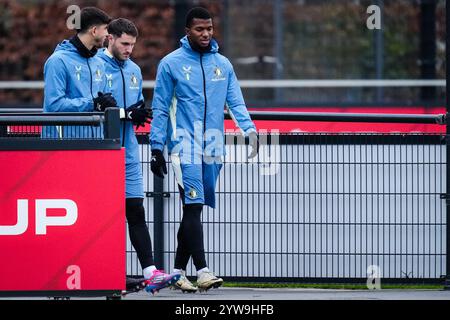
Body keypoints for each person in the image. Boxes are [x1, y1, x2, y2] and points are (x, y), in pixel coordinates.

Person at [150, 7, 258, 293]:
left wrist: (250, 132)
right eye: (199, 29)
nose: (206, 33)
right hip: (182, 146)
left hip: (213, 146)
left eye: (209, 28)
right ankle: (204, 271)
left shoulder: (223, 64)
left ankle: (176, 272)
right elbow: (160, 108)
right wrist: (156, 147)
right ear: (187, 31)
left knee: (192, 210)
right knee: (194, 205)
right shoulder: (170, 64)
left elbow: (236, 103)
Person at [98, 18, 180, 293]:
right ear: (109, 38)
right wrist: (124, 113)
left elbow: (130, 113)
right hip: (102, 153)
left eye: (132, 44)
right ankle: (104, 274)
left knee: (135, 210)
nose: (129, 49)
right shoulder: (95, 66)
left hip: (129, 152)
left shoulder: (133, 70)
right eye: (124, 43)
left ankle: (150, 272)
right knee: (103, 216)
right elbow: (96, 110)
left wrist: (136, 113)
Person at [43, 7, 117, 138]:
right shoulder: (58, 61)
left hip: (96, 145)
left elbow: (101, 102)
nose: (108, 35)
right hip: (63, 146)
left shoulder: (98, 63)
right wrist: (92, 104)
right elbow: (54, 105)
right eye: (105, 29)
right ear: (94, 31)